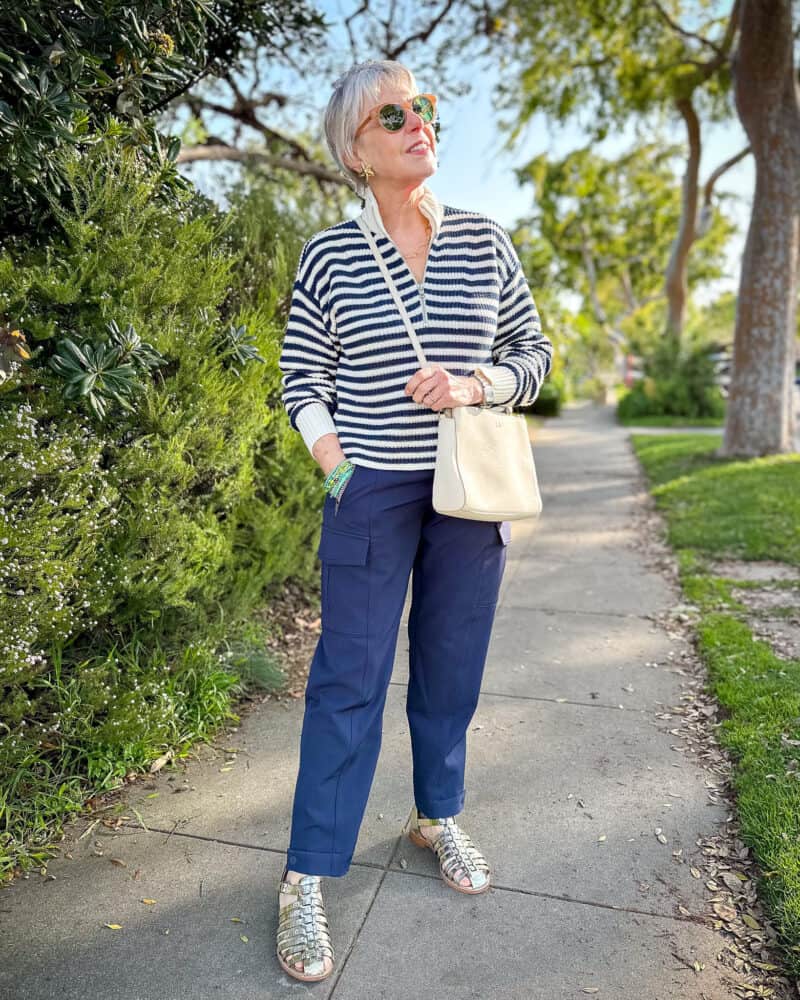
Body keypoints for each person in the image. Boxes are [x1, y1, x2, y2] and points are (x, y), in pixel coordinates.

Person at [275, 58, 553, 982]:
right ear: (357, 150)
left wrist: (478, 383)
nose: (418, 124)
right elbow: (302, 378)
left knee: (451, 666)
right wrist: (337, 468)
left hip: (470, 490)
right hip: (373, 489)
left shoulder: (485, 240)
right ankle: (309, 874)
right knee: (348, 676)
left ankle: (437, 815)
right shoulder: (330, 255)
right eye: (394, 116)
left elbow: (535, 355)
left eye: (424, 109)